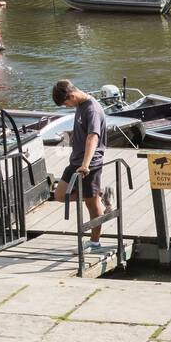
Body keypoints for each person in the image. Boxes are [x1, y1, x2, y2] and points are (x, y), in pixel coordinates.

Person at [51, 79, 110, 252]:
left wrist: (85, 165)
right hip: (75, 161)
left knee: (91, 204)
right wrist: (71, 134)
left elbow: (93, 137)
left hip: (89, 164)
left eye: (66, 103)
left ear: (72, 95)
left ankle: (95, 242)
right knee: (60, 195)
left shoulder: (91, 109)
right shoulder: (80, 105)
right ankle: (101, 193)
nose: (67, 106)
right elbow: (84, 131)